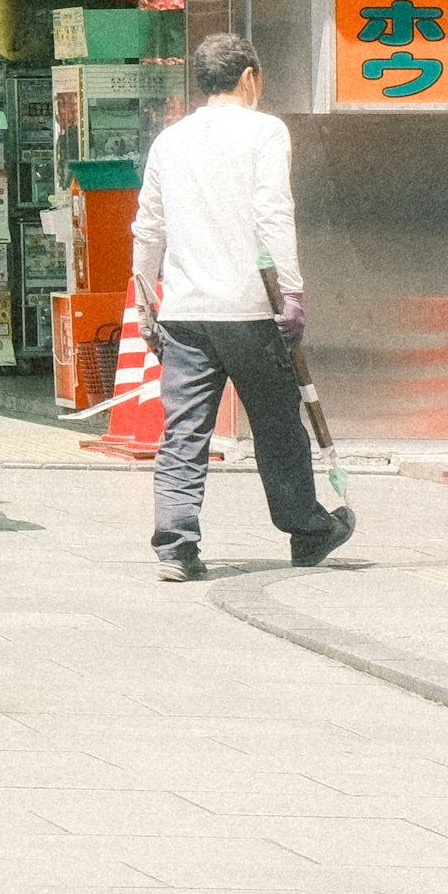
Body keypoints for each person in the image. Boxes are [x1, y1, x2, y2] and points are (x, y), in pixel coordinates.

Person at [135, 33, 352, 580]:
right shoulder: (264, 132)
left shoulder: (169, 140)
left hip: (184, 311)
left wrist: (144, 303)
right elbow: (274, 214)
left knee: (184, 431)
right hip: (252, 309)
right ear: (250, 77)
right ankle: (306, 528)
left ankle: (176, 547)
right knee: (278, 426)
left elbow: (149, 229)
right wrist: (293, 293)